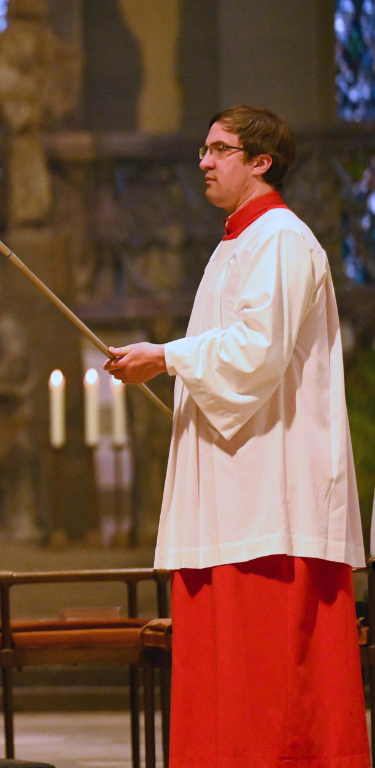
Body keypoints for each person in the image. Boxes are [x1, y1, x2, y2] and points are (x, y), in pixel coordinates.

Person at [106, 106, 368, 767]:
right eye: (204, 148)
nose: (203, 161)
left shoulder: (279, 238)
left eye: (220, 149)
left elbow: (259, 352)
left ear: (261, 162)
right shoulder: (238, 244)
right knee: (227, 685)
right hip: (237, 497)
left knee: (271, 689)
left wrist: (164, 357)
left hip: (270, 505)